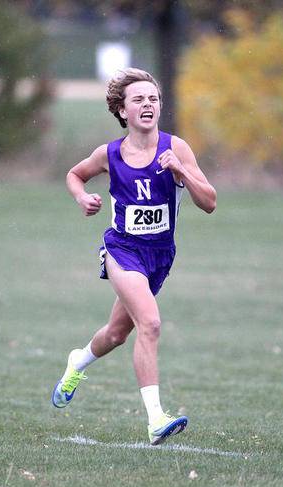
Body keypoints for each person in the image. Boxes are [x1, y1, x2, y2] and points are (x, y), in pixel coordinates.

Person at [50, 68, 217, 446]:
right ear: (122, 111)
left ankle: (77, 362)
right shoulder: (109, 154)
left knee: (116, 334)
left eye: (153, 99)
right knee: (151, 323)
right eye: (138, 100)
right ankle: (156, 418)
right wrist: (82, 198)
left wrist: (181, 172)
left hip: (160, 256)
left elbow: (209, 202)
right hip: (121, 250)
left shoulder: (177, 148)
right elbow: (75, 175)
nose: (148, 105)